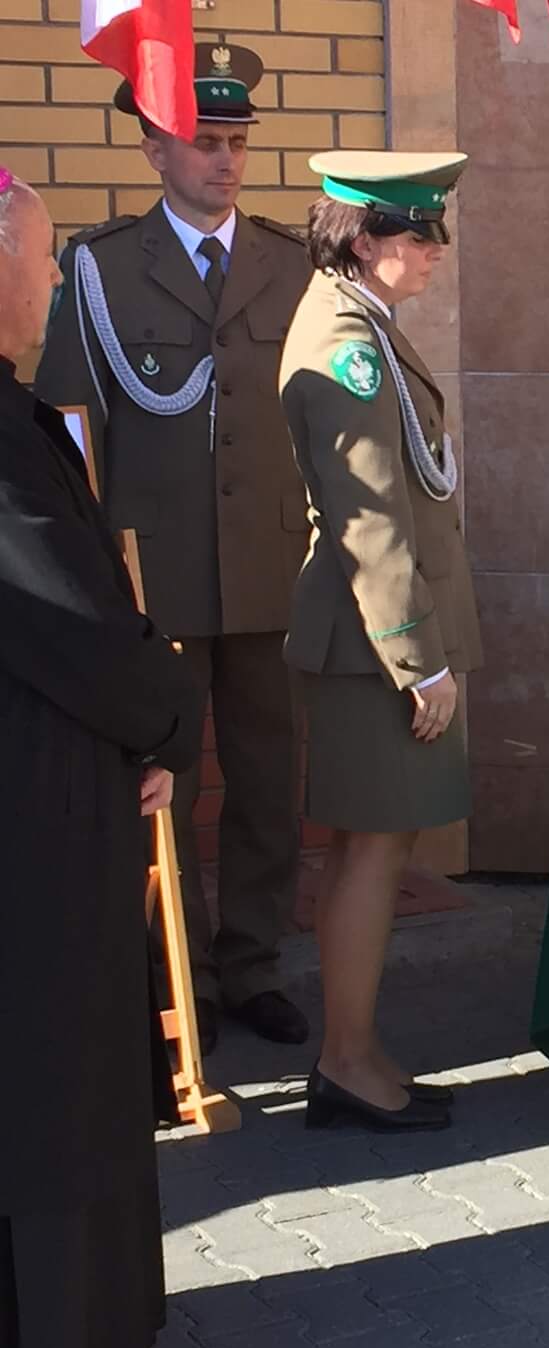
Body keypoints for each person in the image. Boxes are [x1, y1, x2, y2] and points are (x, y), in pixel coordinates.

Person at [33, 42, 312, 1053]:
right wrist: (91, 577)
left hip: (271, 567)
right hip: (155, 576)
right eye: (203, 142)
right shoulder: (102, 266)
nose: (225, 160)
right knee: (166, 785)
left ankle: (254, 965)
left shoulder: (292, 261)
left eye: (237, 141)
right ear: (155, 150)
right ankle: (179, 978)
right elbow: (71, 429)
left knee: (270, 781)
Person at [1, 171, 201, 1348]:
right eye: (33, 256)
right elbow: (73, 624)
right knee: (48, 1087)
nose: (45, 279)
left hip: (48, 780)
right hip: (32, 815)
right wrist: (168, 712)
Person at [279, 151, 484, 1133]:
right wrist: (420, 660)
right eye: (420, 232)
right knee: (371, 850)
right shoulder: (346, 343)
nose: (437, 249)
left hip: (371, 638)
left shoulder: (360, 322)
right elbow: (369, 518)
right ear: (365, 240)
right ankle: (346, 1062)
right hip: (374, 646)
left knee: (377, 844)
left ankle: (353, 1053)